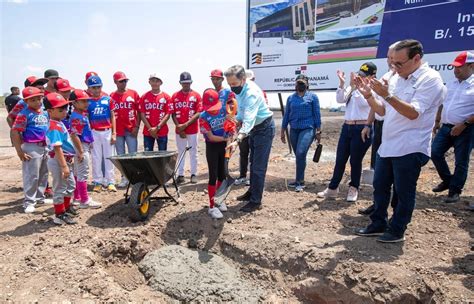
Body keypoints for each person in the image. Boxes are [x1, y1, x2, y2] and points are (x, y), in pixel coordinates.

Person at [354, 39, 446, 243]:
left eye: (399, 63)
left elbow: (413, 113)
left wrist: (386, 95)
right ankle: (378, 223)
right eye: (392, 62)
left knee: (404, 192)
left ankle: (397, 229)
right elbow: (382, 111)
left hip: (411, 146)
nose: (394, 68)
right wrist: (369, 95)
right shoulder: (397, 77)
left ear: (416, 59)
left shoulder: (430, 79)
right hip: (388, 144)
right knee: (380, 186)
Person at [317, 62, 377, 202]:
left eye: (363, 76)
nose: (360, 78)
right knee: (340, 159)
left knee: (355, 160)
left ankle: (353, 188)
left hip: (362, 128)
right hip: (347, 127)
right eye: (359, 75)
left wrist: (361, 88)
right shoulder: (353, 87)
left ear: (372, 76)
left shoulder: (373, 90)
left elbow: (366, 105)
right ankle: (333, 188)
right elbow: (340, 99)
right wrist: (343, 84)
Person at [225, 64, 274, 213]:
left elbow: (250, 118)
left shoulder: (251, 93)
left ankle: (256, 201)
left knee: (258, 167)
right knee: (253, 163)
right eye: (229, 84)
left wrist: (238, 139)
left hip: (264, 128)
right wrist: (235, 118)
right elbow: (243, 112)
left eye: (234, 84)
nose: (232, 87)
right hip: (254, 128)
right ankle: (251, 192)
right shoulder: (241, 89)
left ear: (243, 79)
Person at [359, 42, 400, 215]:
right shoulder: (386, 77)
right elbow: (375, 105)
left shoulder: (404, 79)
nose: (391, 61)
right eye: (389, 57)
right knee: (378, 167)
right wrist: (368, 124)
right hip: (380, 125)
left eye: (395, 58)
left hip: (396, 127)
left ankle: (396, 209)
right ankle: (377, 204)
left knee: (397, 171)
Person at [431, 51, 474, 203]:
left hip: (466, 129)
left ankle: (454, 191)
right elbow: (443, 103)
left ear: (471, 66)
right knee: (435, 152)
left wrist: (464, 124)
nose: (456, 70)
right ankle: (448, 180)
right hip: (446, 126)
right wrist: (437, 121)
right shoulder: (451, 83)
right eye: (454, 67)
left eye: (459, 67)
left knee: (461, 161)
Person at [11, 87, 49, 213]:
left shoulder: (44, 112)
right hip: (31, 146)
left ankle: (39, 197)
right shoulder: (24, 114)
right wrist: (19, 151)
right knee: (32, 175)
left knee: (43, 173)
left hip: (44, 146)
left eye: (39, 98)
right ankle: (29, 201)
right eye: (33, 100)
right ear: (26, 101)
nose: (38, 102)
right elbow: (15, 132)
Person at [281, 74, 321, 192]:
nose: (300, 85)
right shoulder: (290, 98)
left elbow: (317, 114)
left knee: (300, 152)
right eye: (298, 83)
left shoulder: (313, 97)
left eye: (302, 83)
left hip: (308, 129)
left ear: (307, 84)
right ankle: (299, 179)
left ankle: (300, 182)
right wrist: (283, 130)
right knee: (299, 156)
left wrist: (318, 131)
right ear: (295, 84)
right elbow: (287, 114)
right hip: (294, 129)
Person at [43, 93, 78, 225]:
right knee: (60, 187)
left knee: (70, 185)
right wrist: (64, 167)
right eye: (60, 109)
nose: (64, 111)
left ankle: (66, 208)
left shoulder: (59, 123)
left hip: (64, 159)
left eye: (65, 108)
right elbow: (57, 148)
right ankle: (59, 214)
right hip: (58, 161)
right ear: (50, 111)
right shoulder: (54, 126)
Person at [199, 88, 232, 219]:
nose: (213, 110)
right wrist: (226, 139)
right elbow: (211, 137)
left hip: (224, 147)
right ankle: (212, 206)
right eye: (210, 107)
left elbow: (230, 125)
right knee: (213, 176)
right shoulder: (203, 117)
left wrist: (231, 137)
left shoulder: (224, 110)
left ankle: (219, 200)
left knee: (222, 175)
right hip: (212, 147)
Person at [69, 89, 102, 209]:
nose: (86, 103)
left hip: (83, 145)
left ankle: (77, 197)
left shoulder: (80, 114)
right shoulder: (77, 117)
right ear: (74, 103)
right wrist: (81, 151)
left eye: (87, 101)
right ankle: (85, 200)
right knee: (83, 173)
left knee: (78, 173)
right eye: (83, 101)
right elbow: (74, 135)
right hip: (81, 146)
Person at [86, 75, 117, 192]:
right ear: (89, 88)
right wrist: (89, 136)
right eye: (93, 88)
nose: (96, 90)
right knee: (96, 157)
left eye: (98, 87)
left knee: (109, 156)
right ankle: (98, 181)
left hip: (107, 131)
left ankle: (110, 181)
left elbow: (113, 116)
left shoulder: (108, 100)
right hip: (94, 132)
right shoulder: (87, 102)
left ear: (101, 87)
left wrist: (114, 133)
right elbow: (87, 119)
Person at [110, 71, 140, 188]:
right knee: (121, 155)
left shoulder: (133, 93)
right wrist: (113, 131)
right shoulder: (111, 96)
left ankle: (134, 177)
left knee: (133, 154)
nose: (123, 83)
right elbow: (110, 114)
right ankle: (124, 177)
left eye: (125, 81)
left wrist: (136, 127)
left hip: (131, 129)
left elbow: (139, 112)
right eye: (121, 81)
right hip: (118, 130)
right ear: (115, 82)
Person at [171, 72, 202, 184]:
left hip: (192, 130)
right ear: (180, 83)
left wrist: (185, 125)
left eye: (188, 83)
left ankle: (194, 174)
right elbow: (172, 113)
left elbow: (198, 112)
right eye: (184, 83)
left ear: (191, 82)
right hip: (180, 130)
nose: (186, 85)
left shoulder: (196, 95)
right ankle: (181, 174)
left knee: (193, 152)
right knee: (181, 152)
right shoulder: (174, 96)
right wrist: (179, 127)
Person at [139, 73, 171, 151]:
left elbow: (168, 114)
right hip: (148, 131)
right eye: (153, 81)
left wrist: (157, 128)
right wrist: (150, 129)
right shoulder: (144, 97)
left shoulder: (166, 97)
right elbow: (142, 114)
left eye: (157, 81)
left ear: (161, 82)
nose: (155, 83)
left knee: (163, 156)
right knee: (148, 155)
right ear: (149, 82)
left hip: (162, 130)